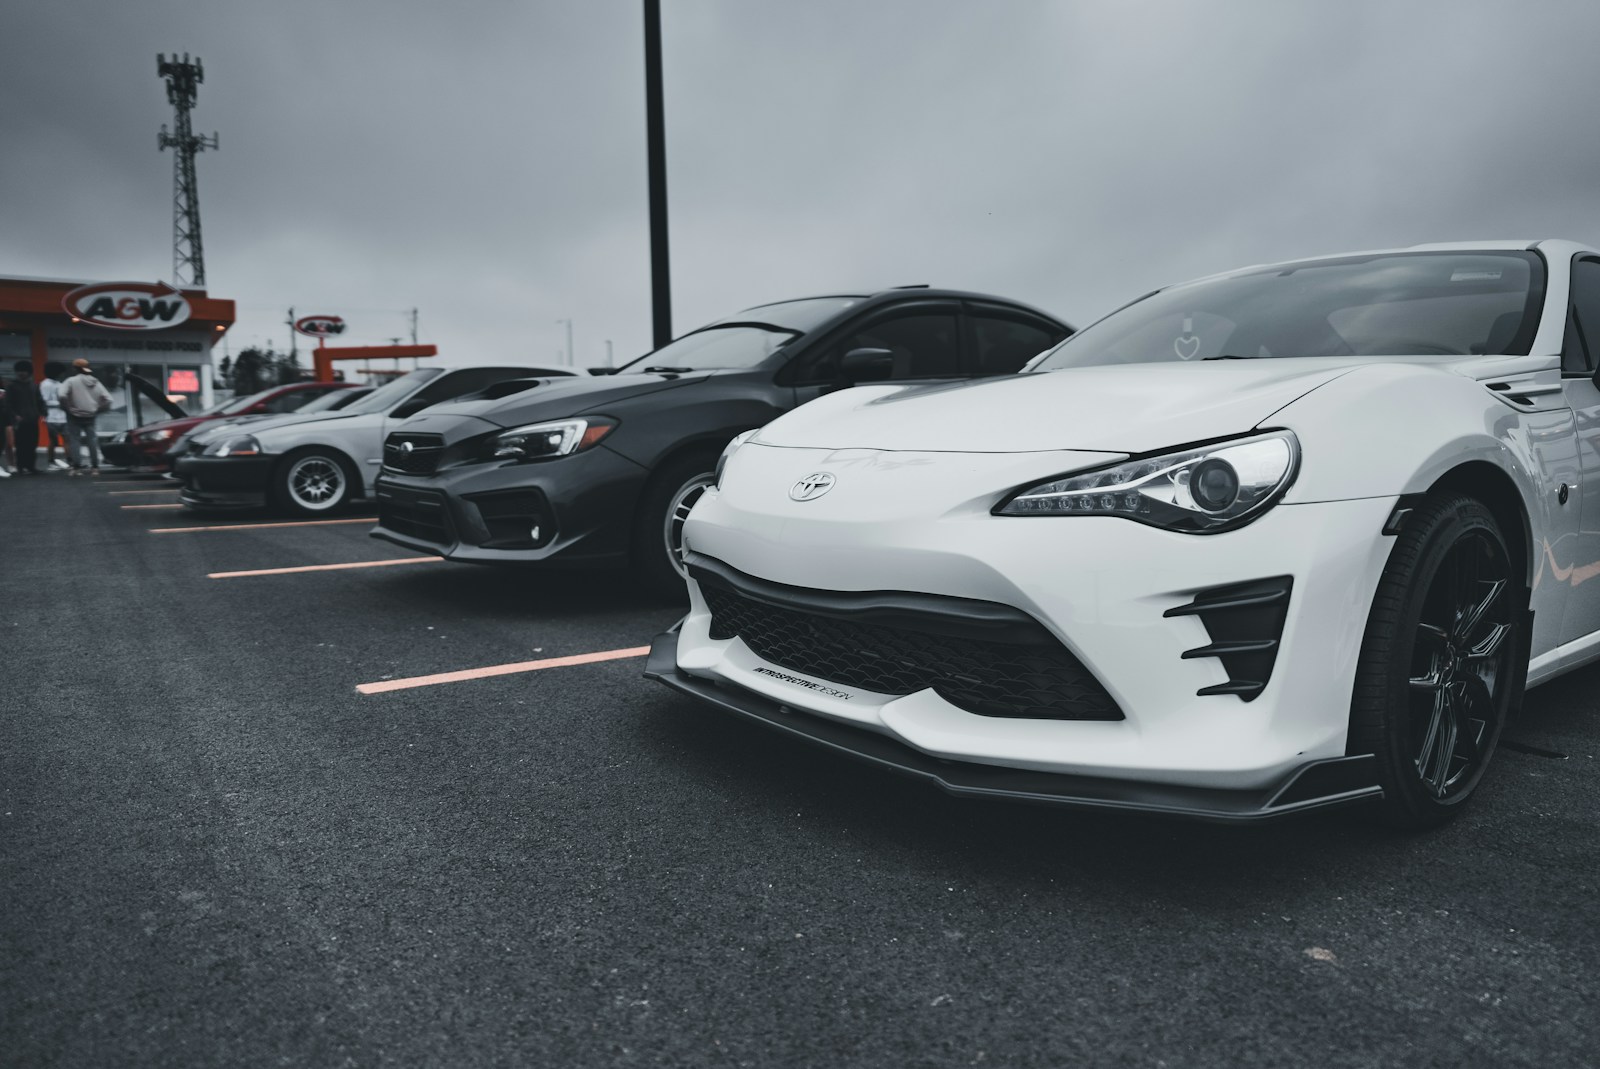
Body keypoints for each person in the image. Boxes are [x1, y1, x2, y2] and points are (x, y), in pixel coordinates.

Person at [59, 358, 113, 476]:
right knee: (92, 440)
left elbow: (62, 395)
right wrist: (98, 409)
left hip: (74, 416)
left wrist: (67, 408)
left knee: (75, 440)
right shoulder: (96, 382)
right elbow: (109, 399)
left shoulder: (71, 381)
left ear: (74, 369)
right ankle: (95, 468)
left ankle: (76, 468)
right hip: (91, 415)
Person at [3, 361, 44, 474]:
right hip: (19, 420)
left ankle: (31, 466)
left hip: (32, 418)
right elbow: (8, 404)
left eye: (24, 371)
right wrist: (14, 416)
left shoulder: (34, 386)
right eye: (19, 371)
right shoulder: (11, 386)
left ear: (29, 372)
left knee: (33, 443)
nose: (21, 373)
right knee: (20, 444)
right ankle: (21, 467)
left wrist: (41, 413)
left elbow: (40, 401)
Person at [39, 362, 70, 469]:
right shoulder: (45, 384)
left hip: (63, 417)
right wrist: (60, 404)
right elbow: (44, 401)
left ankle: (69, 460)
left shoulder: (59, 384)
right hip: (51, 417)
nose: (62, 375)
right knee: (53, 440)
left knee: (67, 439)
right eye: (61, 373)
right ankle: (51, 461)